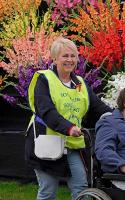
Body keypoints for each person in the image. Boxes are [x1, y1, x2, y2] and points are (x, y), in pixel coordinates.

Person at [25, 37, 112, 200]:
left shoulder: (80, 83)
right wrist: (69, 127)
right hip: (46, 141)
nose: (70, 60)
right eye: (65, 56)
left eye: (73, 56)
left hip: (72, 143)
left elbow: (97, 106)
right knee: (48, 191)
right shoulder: (44, 79)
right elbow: (46, 110)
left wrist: (119, 118)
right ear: (55, 58)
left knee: (81, 187)